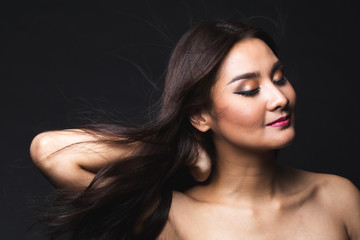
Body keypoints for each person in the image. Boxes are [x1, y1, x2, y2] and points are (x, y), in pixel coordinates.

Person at [30, 19, 360, 240]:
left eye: (279, 78)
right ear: (199, 116)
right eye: (248, 89)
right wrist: (182, 150)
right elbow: (51, 151)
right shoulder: (174, 218)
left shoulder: (337, 197)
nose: (279, 98)